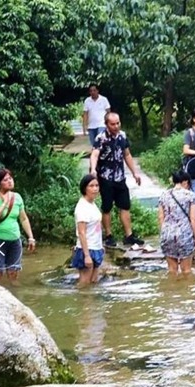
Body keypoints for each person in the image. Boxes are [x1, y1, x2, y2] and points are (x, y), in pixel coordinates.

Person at [90, 112, 144, 247]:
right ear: (106, 124)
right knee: (107, 207)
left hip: (120, 177)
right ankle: (108, 235)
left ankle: (129, 235)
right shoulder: (101, 138)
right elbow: (94, 154)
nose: (116, 126)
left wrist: (135, 173)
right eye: (112, 124)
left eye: (118, 123)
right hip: (105, 177)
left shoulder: (122, 136)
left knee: (125, 205)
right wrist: (93, 169)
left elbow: (127, 154)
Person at [0, 169, 36, 284]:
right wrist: (5, 203)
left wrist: (31, 237)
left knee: (13, 273)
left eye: (10, 178)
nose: (10, 181)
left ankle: (15, 293)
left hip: (15, 241)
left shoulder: (17, 197)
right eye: (5, 180)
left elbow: (23, 219)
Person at [158, 170, 195, 274]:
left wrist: (164, 233)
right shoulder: (191, 195)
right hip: (184, 235)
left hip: (167, 235)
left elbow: (160, 217)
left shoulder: (164, 195)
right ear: (185, 181)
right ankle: (186, 285)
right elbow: (193, 219)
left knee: (172, 270)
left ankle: (172, 284)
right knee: (186, 271)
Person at [70, 175, 104, 286]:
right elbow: (81, 232)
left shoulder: (92, 204)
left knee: (93, 282)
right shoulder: (82, 207)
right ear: (84, 188)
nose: (95, 189)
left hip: (96, 247)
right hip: (87, 249)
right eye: (91, 186)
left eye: (97, 185)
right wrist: (87, 255)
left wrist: (101, 245)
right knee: (84, 284)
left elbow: (96, 227)